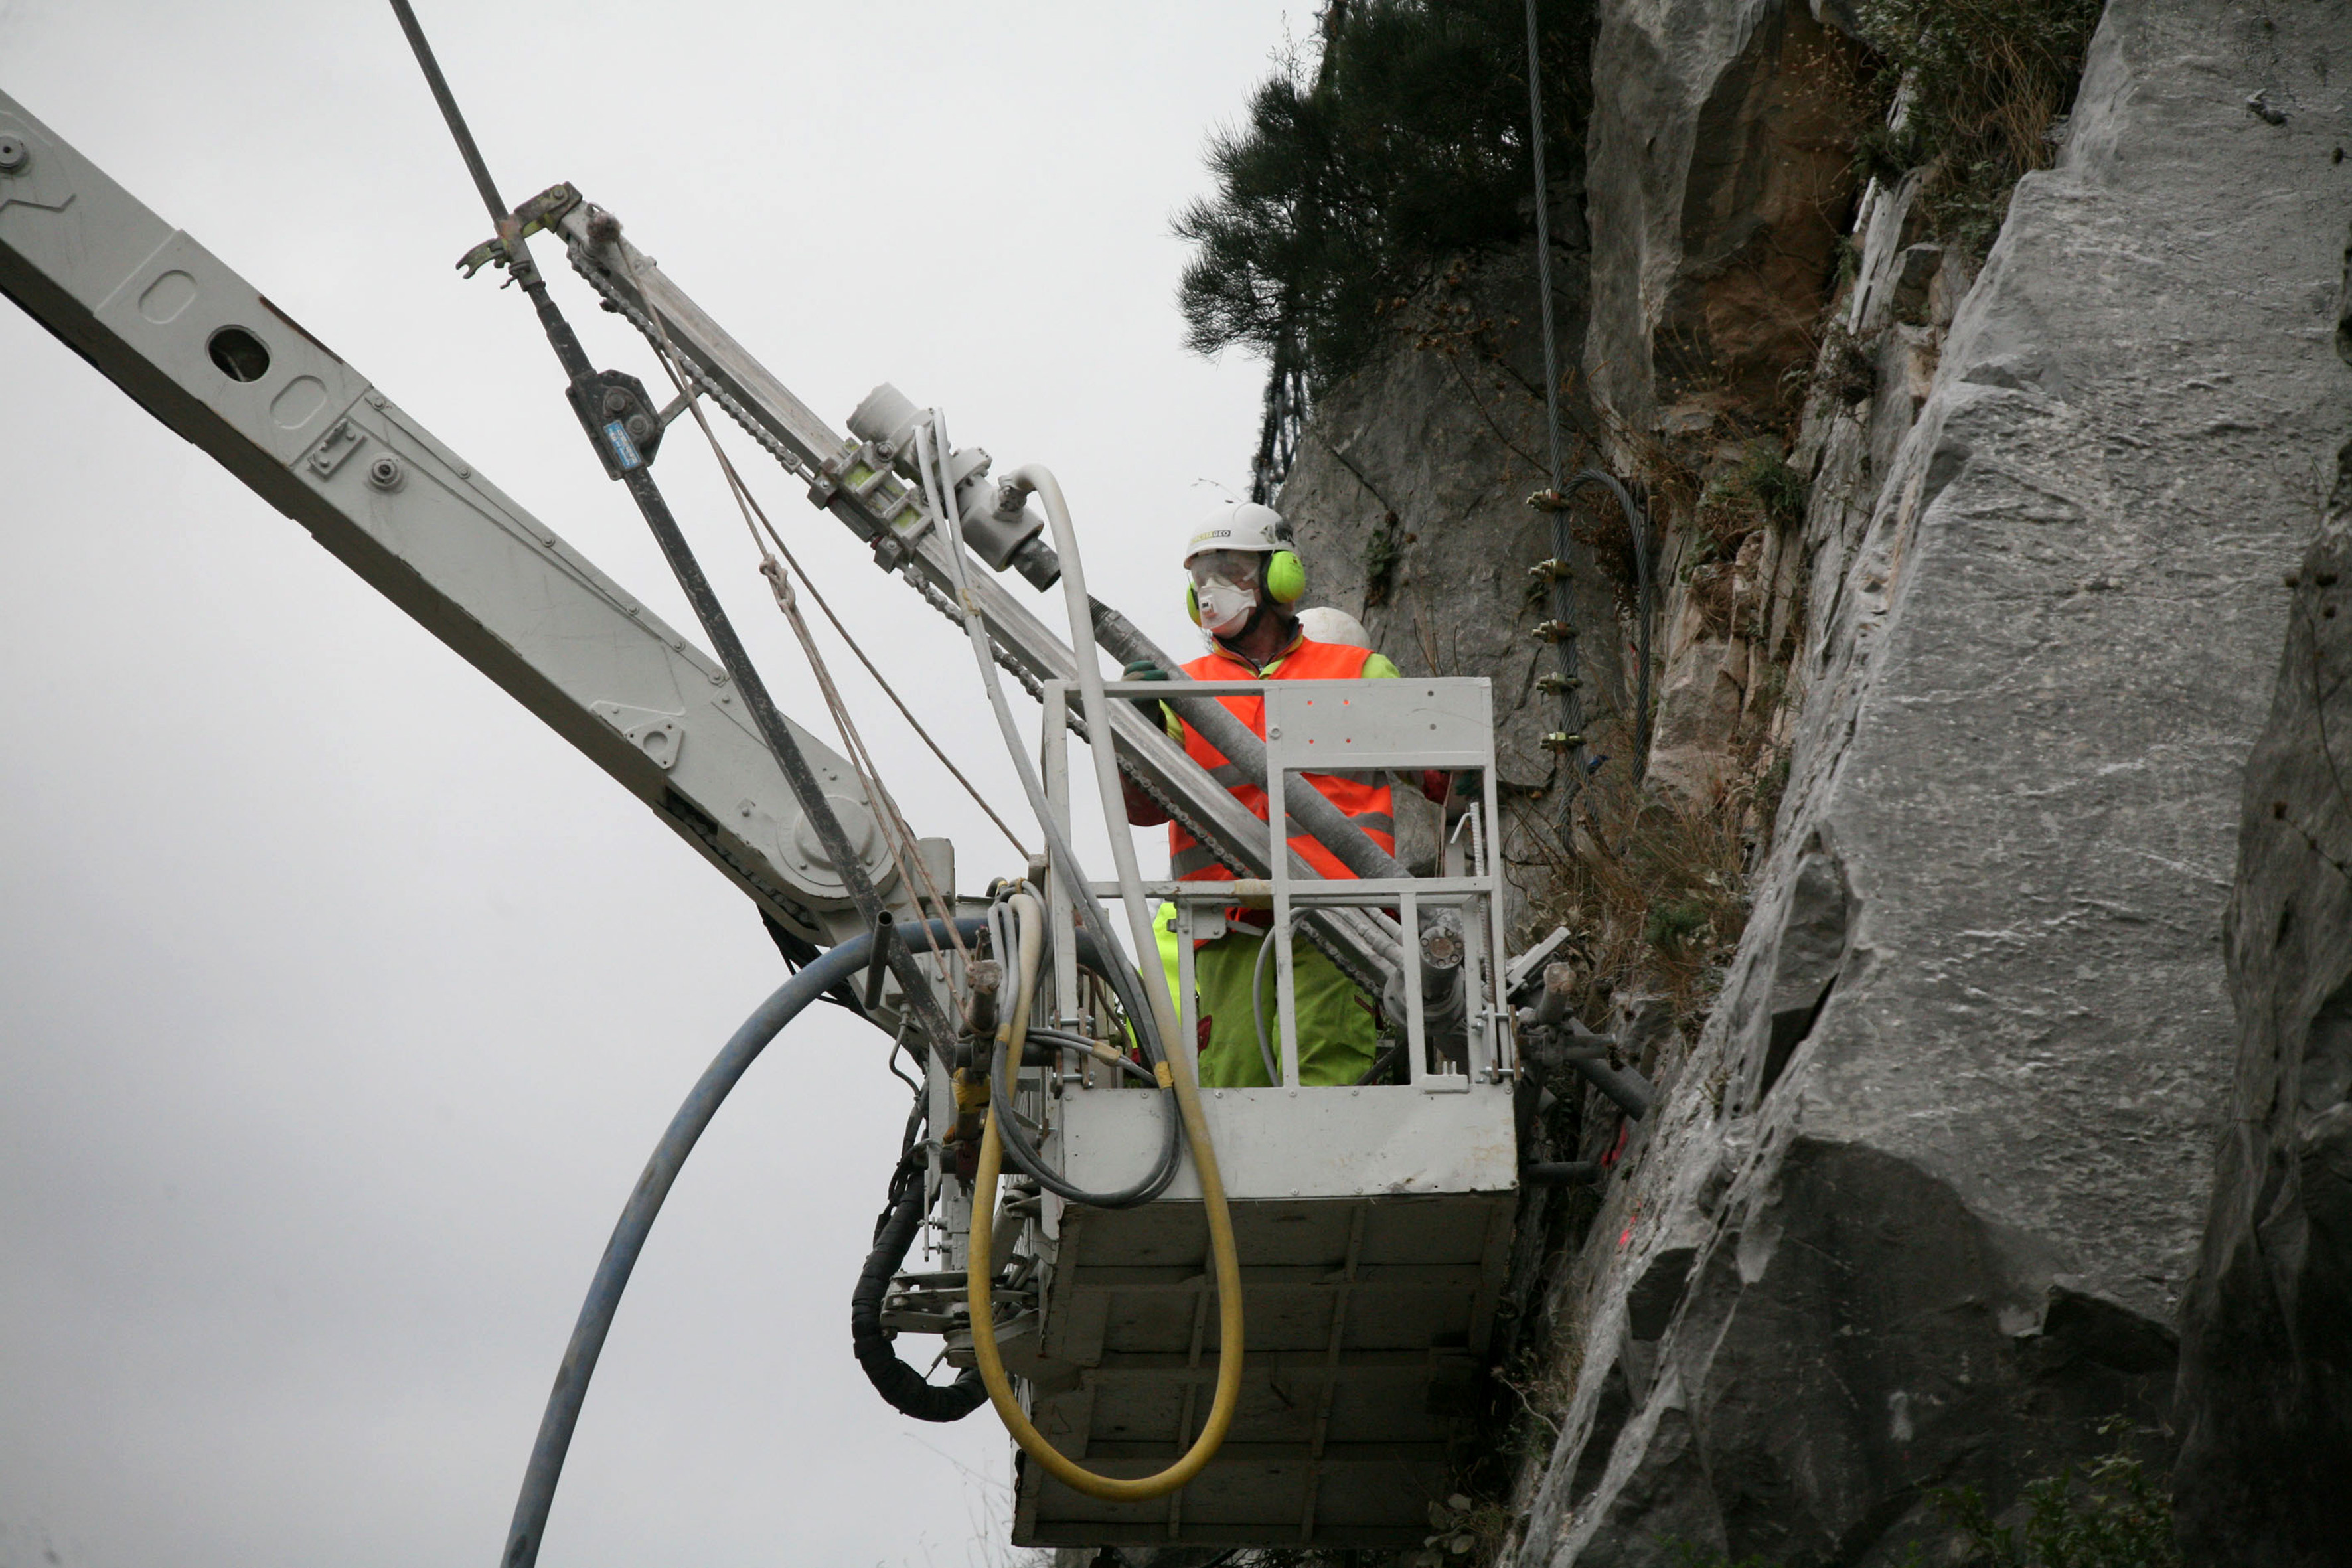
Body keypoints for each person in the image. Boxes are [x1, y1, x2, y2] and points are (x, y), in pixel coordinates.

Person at [1121, 503, 1403, 1087]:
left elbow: (1446, 780)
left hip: (1341, 919)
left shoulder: (1357, 670)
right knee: (1230, 1085)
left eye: (1231, 569)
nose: (1213, 588)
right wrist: (1138, 729)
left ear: (1282, 578)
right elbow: (1141, 811)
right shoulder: (1181, 686)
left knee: (1331, 1074)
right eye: (1201, 575)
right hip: (1227, 926)